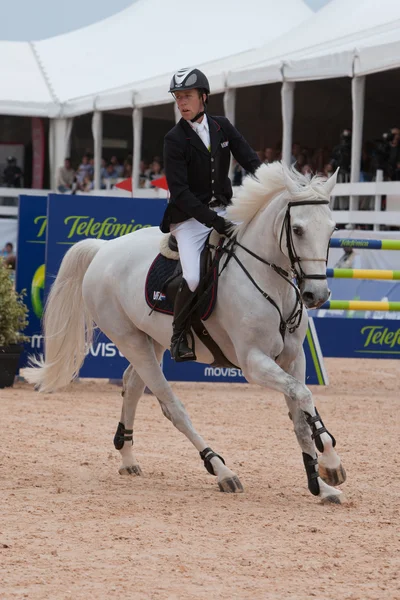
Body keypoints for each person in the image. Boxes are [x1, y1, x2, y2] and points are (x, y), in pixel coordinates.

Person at [160, 67, 261, 362]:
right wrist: (214, 221)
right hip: (190, 219)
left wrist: (275, 183)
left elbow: (251, 161)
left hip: (226, 208)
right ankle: (178, 336)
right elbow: (180, 193)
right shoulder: (174, 139)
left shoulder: (222, 127)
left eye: (187, 96)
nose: (182, 103)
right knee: (192, 277)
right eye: (178, 98)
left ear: (203, 97)